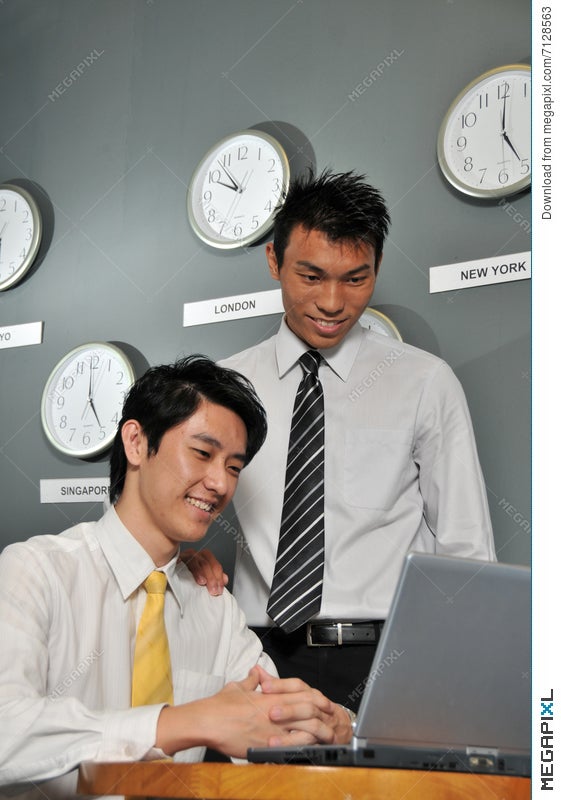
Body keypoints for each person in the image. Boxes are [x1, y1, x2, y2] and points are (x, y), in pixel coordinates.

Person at [187, 170, 497, 712]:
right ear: (273, 261)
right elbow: (159, 497)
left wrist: (462, 676)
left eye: (356, 279)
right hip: (255, 657)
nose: (333, 302)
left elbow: (466, 550)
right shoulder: (223, 387)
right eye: (311, 276)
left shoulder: (425, 382)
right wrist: (183, 556)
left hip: (389, 656)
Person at [0, 356, 352, 799]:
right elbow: (7, 732)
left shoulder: (212, 602)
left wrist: (340, 724)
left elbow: (275, 726)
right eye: (203, 454)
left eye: (234, 467)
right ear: (135, 442)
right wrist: (188, 721)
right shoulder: (37, 571)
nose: (220, 484)